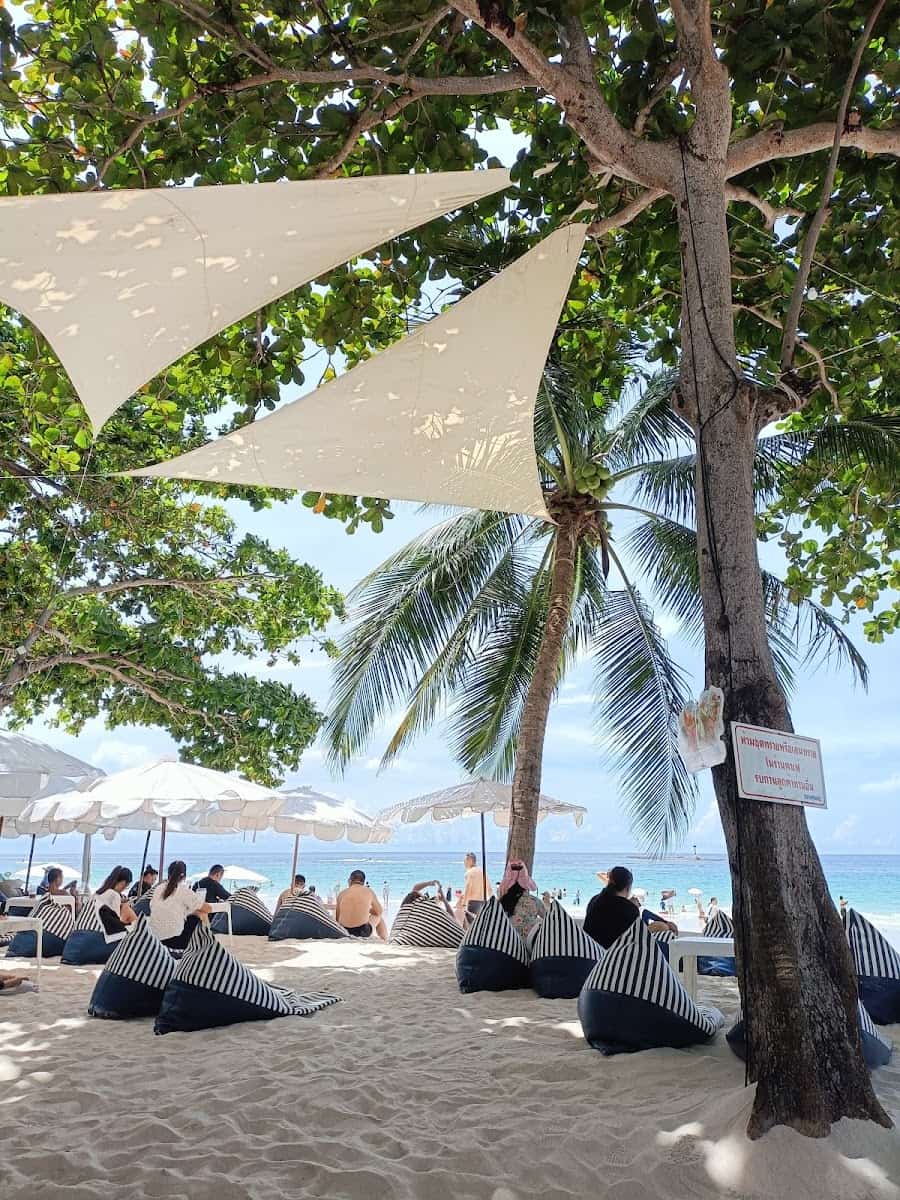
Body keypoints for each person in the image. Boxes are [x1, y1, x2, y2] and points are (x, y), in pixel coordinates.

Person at [583, 866, 676, 949]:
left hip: (590, 950)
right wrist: (632, 907)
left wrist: (630, 905)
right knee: (664, 934)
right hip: (613, 955)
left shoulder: (594, 900)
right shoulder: (629, 909)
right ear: (628, 888)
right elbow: (637, 939)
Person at [150, 861, 211, 950]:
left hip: (155, 938)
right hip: (175, 941)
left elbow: (154, 907)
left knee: (192, 914)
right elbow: (208, 908)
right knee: (202, 914)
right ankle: (208, 944)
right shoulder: (184, 890)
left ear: (168, 874)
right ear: (184, 877)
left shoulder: (158, 888)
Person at [498, 860, 545, 941]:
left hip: (506, 944)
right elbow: (548, 919)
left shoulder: (500, 904)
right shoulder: (535, 901)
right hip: (529, 945)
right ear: (526, 885)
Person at [335, 870, 386, 940]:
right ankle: (385, 939)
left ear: (350, 880)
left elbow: (337, 918)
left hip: (344, 930)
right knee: (379, 917)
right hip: (361, 932)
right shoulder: (369, 891)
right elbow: (379, 912)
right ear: (363, 882)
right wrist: (367, 910)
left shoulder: (342, 893)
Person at [94, 866, 138, 934]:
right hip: (102, 933)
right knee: (126, 909)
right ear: (124, 883)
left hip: (90, 928)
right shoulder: (115, 895)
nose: (125, 888)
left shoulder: (98, 893)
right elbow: (115, 923)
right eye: (127, 885)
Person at [456, 852, 492, 926]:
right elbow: (489, 889)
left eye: (465, 861)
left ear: (470, 860)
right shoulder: (483, 872)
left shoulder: (469, 872)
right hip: (483, 903)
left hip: (472, 904)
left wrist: (463, 904)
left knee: (468, 928)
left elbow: (468, 888)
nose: (464, 863)